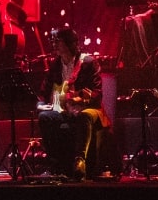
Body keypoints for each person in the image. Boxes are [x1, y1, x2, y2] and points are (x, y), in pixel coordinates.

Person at [38, 28, 108, 180]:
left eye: (58, 41)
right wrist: (40, 104)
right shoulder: (55, 65)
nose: (54, 45)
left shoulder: (88, 62)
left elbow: (97, 93)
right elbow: (44, 91)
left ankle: (79, 162)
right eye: (53, 41)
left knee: (84, 116)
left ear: (70, 43)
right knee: (44, 117)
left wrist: (79, 99)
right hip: (65, 111)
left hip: (88, 108)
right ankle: (55, 165)